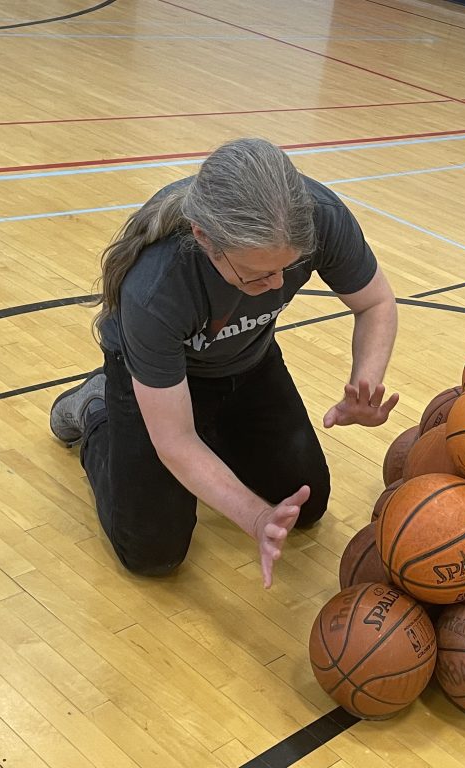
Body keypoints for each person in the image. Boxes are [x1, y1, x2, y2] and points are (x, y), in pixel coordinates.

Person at [50, 138, 399, 588]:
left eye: (286, 269)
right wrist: (254, 518)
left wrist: (365, 381)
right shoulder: (156, 285)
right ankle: (96, 411)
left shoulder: (316, 216)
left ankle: (211, 428)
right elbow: (175, 440)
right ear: (204, 239)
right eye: (256, 275)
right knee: (152, 553)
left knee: (306, 505)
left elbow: (375, 303)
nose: (277, 284)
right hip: (153, 376)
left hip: (245, 361)